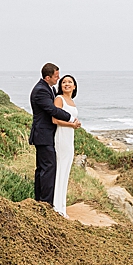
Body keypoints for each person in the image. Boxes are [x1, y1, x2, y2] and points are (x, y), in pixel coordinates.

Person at [29, 62, 79, 206]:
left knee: (43, 169)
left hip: (46, 135)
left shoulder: (47, 88)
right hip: (43, 135)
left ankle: (40, 201)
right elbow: (52, 110)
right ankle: (46, 203)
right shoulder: (41, 90)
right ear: (47, 77)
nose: (58, 79)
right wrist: (71, 119)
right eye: (56, 76)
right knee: (48, 169)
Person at [52, 74, 79, 216]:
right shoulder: (59, 99)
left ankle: (62, 206)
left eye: (70, 82)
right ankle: (57, 207)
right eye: (64, 82)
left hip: (70, 138)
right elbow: (55, 120)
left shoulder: (72, 101)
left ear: (74, 86)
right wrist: (71, 124)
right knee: (60, 170)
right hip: (62, 137)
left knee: (66, 171)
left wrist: (76, 124)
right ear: (60, 86)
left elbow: (72, 119)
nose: (66, 84)